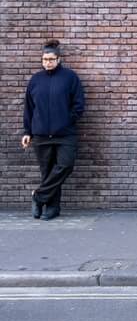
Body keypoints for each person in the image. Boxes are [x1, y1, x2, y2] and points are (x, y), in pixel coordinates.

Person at [21, 40, 85, 221]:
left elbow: (78, 105)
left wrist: (66, 120)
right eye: (44, 59)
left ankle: (38, 196)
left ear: (59, 59)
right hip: (41, 134)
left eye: (51, 59)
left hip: (65, 133)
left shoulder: (70, 77)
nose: (47, 62)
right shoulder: (35, 80)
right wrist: (27, 132)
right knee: (47, 172)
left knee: (65, 165)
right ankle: (51, 208)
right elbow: (29, 108)